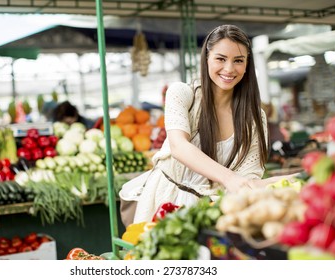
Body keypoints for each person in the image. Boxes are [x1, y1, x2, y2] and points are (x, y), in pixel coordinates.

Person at [119, 24, 293, 226]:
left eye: (238, 60)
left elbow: (248, 180)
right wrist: (229, 178)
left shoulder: (255, 118)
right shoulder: (182, 94)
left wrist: (298, 180)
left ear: (247, 65)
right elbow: (179, 147)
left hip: (209, 211)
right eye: (220, 59)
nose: (229, 69)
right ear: (207, 58)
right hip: (163, 202)